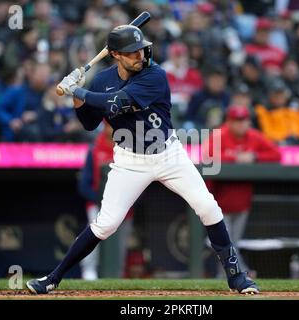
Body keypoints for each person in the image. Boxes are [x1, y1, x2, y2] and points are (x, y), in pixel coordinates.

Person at [26, 24, 259, 294]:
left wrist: (77, 92)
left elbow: (116, 103)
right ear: (114, 54)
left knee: (208, 208)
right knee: (106, 224)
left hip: (168, 153)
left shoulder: (155, 75)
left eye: (141, 49)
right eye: (132, 52)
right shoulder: (101, 81)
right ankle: (52, 278)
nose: (140, 56)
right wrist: (78, 100)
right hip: (129, 160)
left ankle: (237, 278)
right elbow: (90, 124)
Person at [204, 105, 281, 274]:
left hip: (242, 201)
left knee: (232, 243)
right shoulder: (220, 135)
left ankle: (227, 276)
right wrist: (235, 157)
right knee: (227, 243)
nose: (240, 124)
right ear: (229, 121)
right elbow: (207, 155)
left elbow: (277, 154)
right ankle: (242, 273)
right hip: (218, 201)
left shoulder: (254, 136)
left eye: (243, 120)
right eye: (236, 121)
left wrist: (255, 156)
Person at [77, 122, 134, 280]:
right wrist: (101, 201)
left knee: (120, 243)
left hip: (123, 207)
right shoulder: (94, 149)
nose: (112, 130)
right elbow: (84, 185)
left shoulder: (129, 150)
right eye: (109, 126)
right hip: (97, 205)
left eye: (115, 126)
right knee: (92, 238)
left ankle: (118, 273)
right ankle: (89, 272)